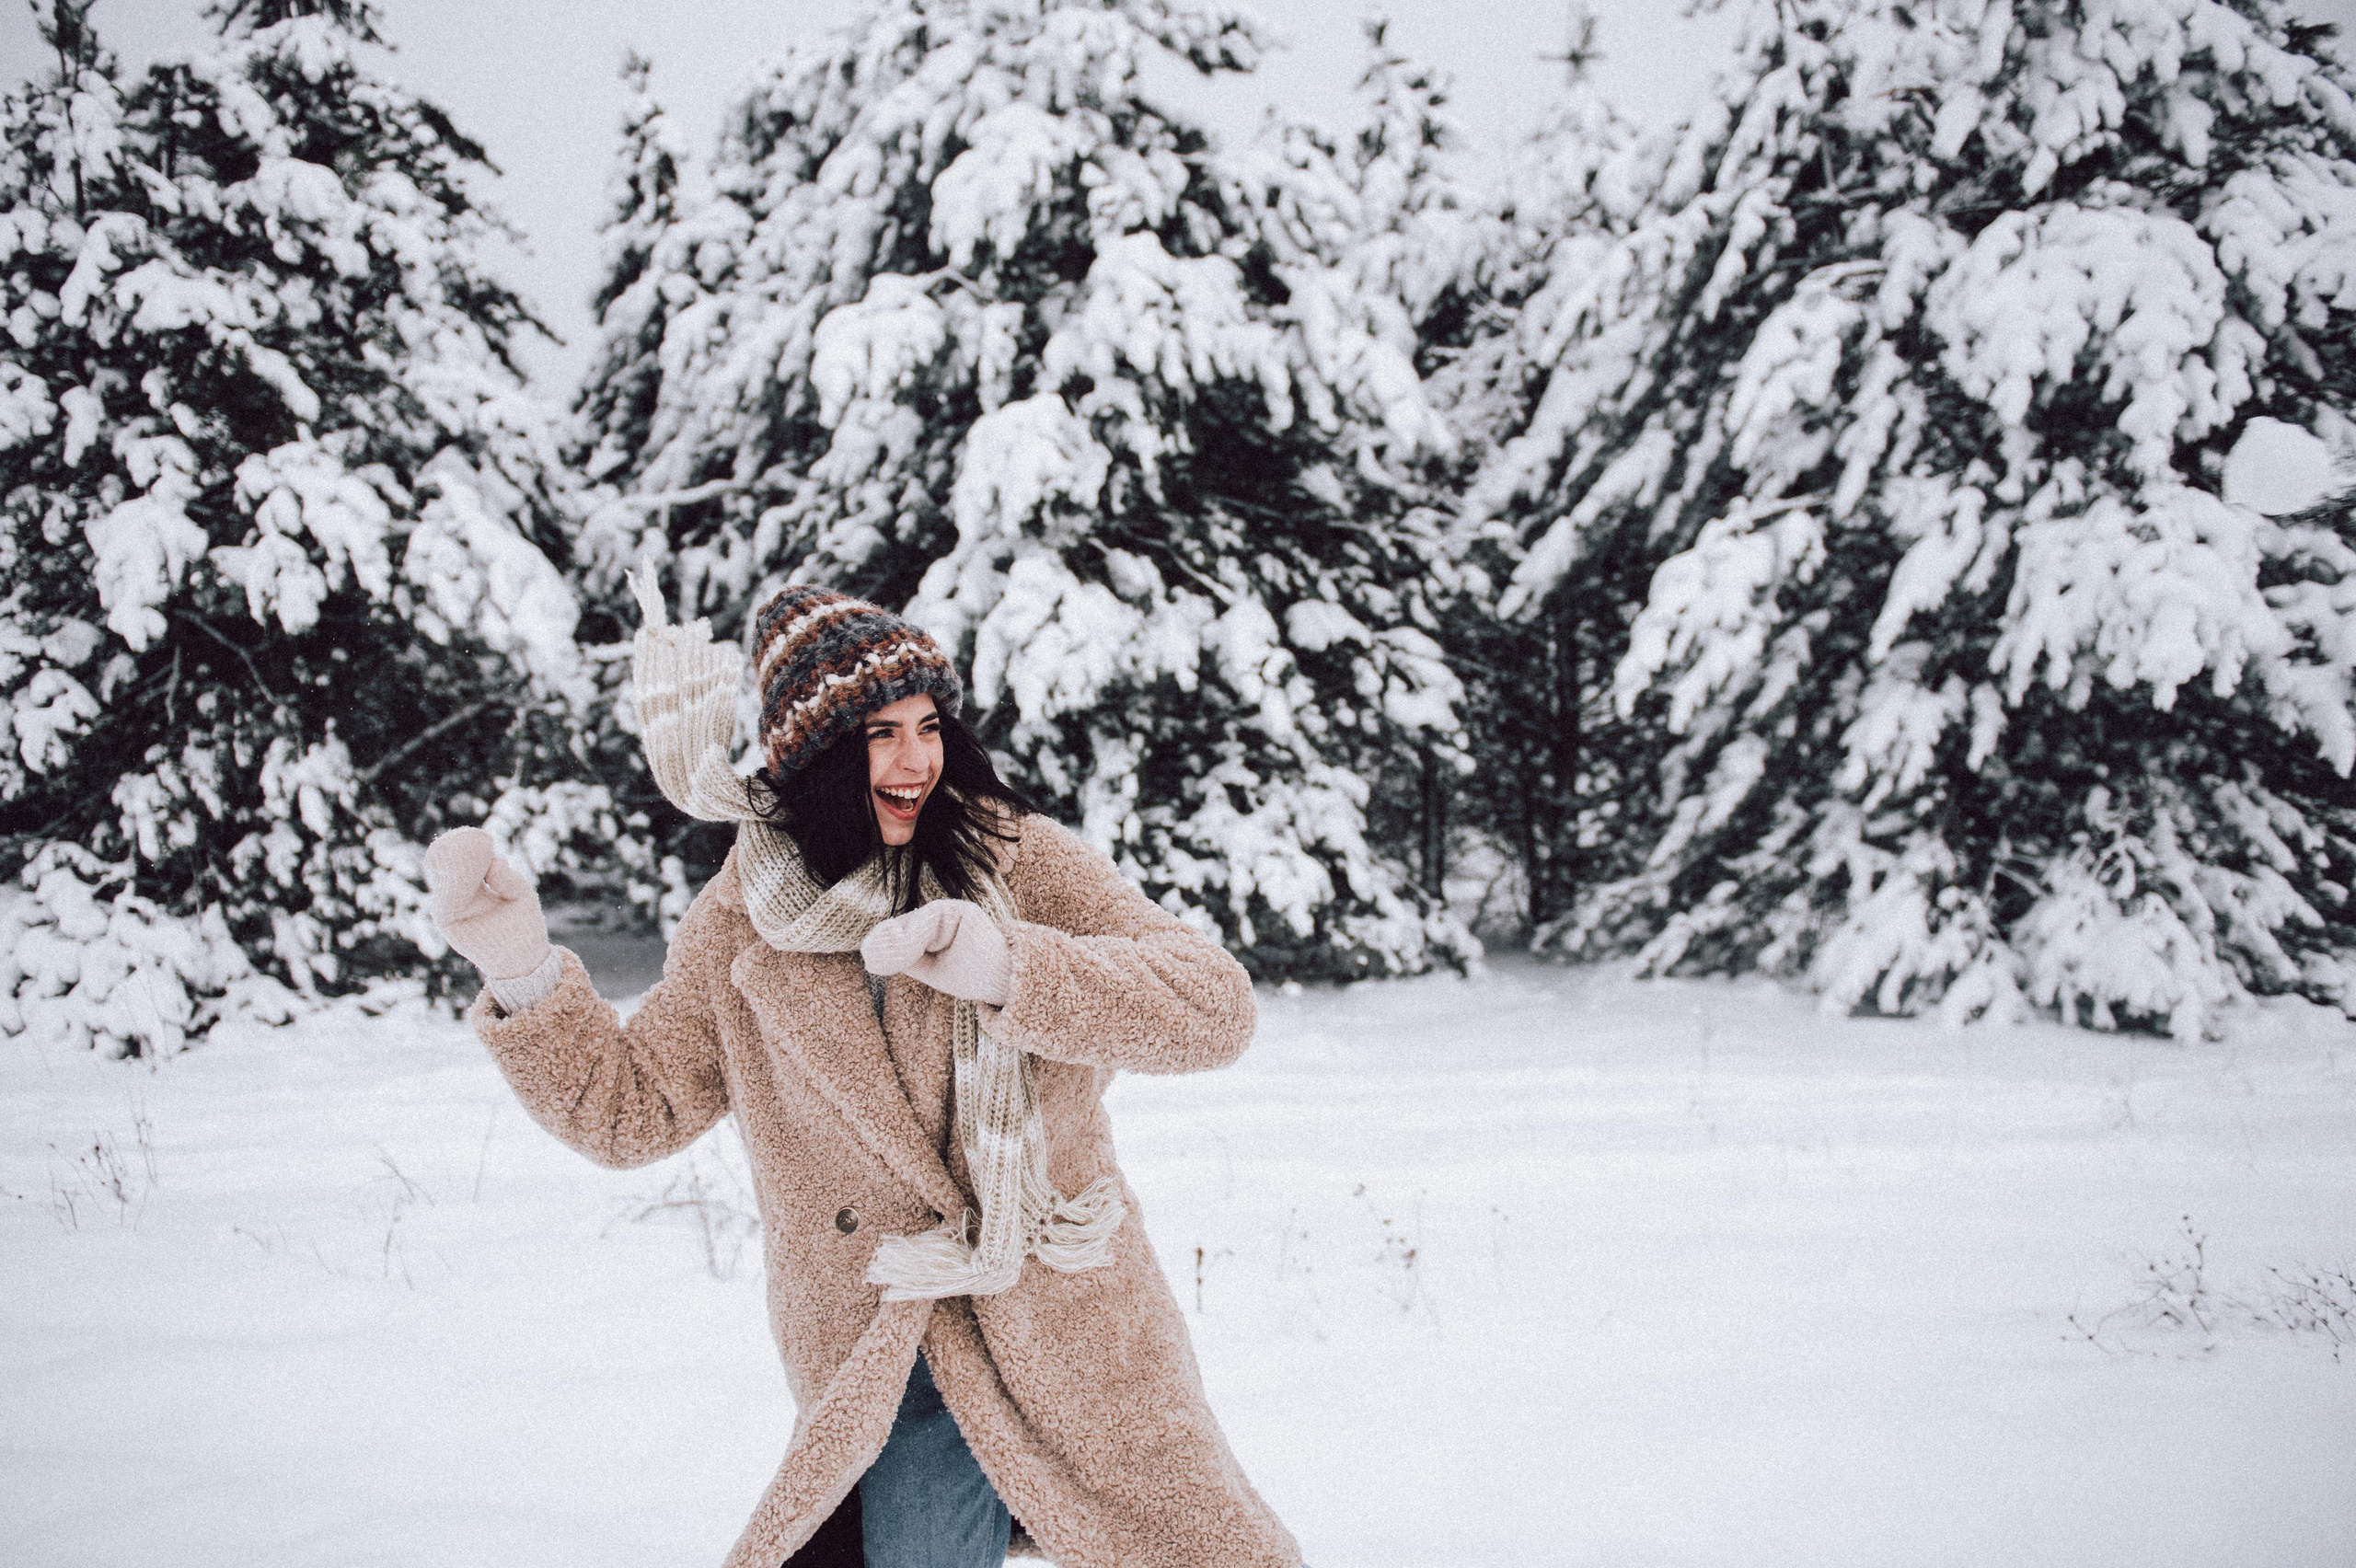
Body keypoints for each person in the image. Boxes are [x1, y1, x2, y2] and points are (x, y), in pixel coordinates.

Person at [422, 578, 1300, 1568]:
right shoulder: (744, 916)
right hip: (889, 1344)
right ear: (816, 759)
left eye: (928, 725)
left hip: (1066, 1318)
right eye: (880, 733)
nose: (915, 758)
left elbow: (1212, 1006)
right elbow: (635, 1111)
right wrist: (523, 970)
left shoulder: (1009, 856)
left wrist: (1013, 968)